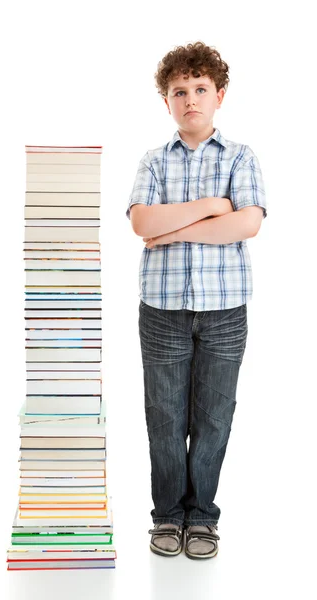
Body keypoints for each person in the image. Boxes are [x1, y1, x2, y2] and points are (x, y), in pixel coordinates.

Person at [126, 41, 267, 560]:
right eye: (179, 91)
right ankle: (167, 515)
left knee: (213, 417)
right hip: (162, 310)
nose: (191, 99)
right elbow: (142, 222)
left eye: (200, 89)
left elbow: (248, 222)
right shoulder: (153, 162)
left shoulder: (241, 156)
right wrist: (211, 209)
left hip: (225, 311)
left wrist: (173, 229)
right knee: (164, 416)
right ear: (167, 101)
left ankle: (202, 516)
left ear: (219, 95)